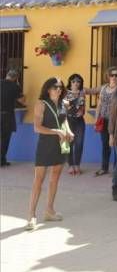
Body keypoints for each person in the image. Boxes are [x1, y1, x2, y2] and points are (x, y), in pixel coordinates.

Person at [27, 77, 73, 230]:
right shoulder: (41, 104)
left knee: (55, 178)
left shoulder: (63, 103)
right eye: (55, 87)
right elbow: (37, 127)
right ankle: (31, 216)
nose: (58, 89)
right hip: (45, 145)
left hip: (60, 144)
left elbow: (64, 121)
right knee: (38, 181)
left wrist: (69, 132)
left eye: (60, 87)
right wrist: (56, 131)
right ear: (48, 89)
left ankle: (49, 211)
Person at [86, 66, 117, 176]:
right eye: (112, 75)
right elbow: (99, 104)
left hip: (115, 120)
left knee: (116, 144)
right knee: (105, 144)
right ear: (108, 76)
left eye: (116, 75)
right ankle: (104, 168)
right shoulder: (104, 88)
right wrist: (96, 119)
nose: (114, 77)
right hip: (104, 120)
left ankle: (116, 169)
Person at [63, 74, 87, 175]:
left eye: (78, 81)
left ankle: (77, 165)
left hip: (80, 121)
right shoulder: (65, 93)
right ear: (70, 82)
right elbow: (65, 108)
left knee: (79, 143)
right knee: (69, 144)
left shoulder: (82, 92)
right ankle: (70, 165)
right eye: (73, 81)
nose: (76, 83)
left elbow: (83, 107)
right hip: (68, 120)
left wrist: (82, 111)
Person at [1, 69, 25, 167]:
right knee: (5, 139)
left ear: (7, 75)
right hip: (7, 116)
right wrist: (18, 86)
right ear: (15, 78)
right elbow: (22, 101)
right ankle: (1, 160)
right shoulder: (15, 86)